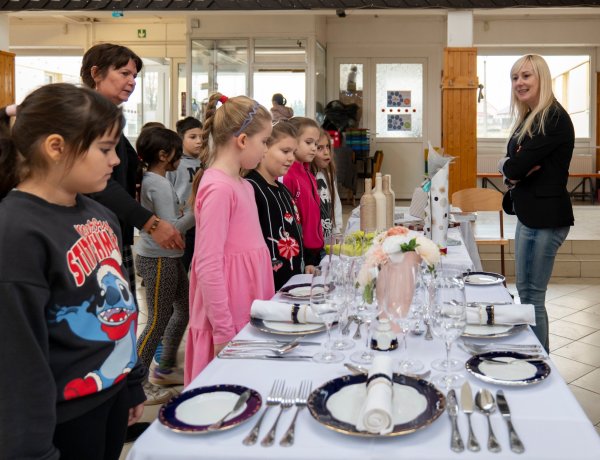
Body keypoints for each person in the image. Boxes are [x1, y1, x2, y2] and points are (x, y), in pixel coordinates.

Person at [0, 83, 145, 460]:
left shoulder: (100, 214)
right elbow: (17, 357)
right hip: (64, 417)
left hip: (111, 394)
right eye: (105, 149)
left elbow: (125, 305)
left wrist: (131, 382)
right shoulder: (16, 231)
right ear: (55, 147)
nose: (115, 161)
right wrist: (30, 448)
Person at [80, 43, 182, 408]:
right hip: (92, 242)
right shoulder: (85, 118)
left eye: (135, 75)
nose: (132, 82)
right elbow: (105, 186)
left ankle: (125, 395)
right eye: (123, 73)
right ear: (96, 72)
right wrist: (152, 223)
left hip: (113, 238)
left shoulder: (110, 121)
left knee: (124, 322)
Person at [185, 93, 275, 385]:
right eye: (264, 141)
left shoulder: (242, 185)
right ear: (242, 140)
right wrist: (223, 332)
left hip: (247, 305)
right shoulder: (219, 188)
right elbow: (208, 264)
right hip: (227, 316)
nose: (266, 150)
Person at [498, 54, 574, 352]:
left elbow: (514, 168)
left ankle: (540, 364)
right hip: (530, 214)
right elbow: (514, 167)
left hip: (546, 218)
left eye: (526, 76)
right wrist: (512, 168)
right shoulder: (529, 118)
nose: (519, 83)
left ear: (541, 78)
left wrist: (512, 168)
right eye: (515, 77)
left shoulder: (552, 117)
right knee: (526, 294)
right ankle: (534, 358)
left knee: (532, 296)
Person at [135, 127, 194, 399]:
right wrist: (197, 213)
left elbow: (173, 212)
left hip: (169, 258)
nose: (180, 159)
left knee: (184, 308)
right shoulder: (155, 182)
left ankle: (165, 366)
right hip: (158, 259)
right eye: (177, 154)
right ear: (163, 155)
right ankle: (137, 381)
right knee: (158, 319)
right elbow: (171, 228)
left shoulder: (157, 179)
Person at [246, 120, 312, 290]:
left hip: (292, 281)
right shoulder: (251, 188)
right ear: (264, 148)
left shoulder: (283, 189)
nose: (291, 158)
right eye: (285, 151)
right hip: (269, 285)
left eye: (293, 152)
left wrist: (305, 263)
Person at [284, 117, 324, 267]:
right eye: (308, 142)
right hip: (302, 249)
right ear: (293, 141)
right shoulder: (289, 176)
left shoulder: (309, 173)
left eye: (315, 143)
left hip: (316, 247)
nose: (314, 148)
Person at [167, 116, 203, 272]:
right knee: (180, 266)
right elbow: (168, 192)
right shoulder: (175, 164)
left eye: (202, 137)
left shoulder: (205, 163)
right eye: (193, 137)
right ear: (181, 138)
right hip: (183, 223)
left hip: (201, 222)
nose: (199, 141)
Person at [312, 129, 343, 239]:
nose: (326, 152)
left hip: (329, 238)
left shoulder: (327, 175)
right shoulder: (308, 179)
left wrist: (337, 230)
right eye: (319, 148)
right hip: (315, 241)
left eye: (327, 147)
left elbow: (335, 204)